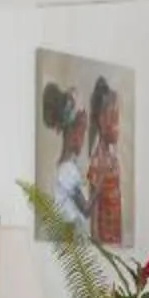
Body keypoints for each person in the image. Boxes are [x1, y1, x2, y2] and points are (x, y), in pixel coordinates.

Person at [41, 81, 92, 234]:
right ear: (72, 132)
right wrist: (100, 184)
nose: (82, 139)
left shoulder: (65, 166)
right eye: (82, 131)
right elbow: (86, 209)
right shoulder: (67, 169)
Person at [84, 74, 125, 245]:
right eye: (113, 119)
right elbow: (91, 214)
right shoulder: (98, 161)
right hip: (104, 242)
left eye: (117, 119)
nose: (118, 127)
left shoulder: (113, 158)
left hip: (115, 242)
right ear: (101, 121)